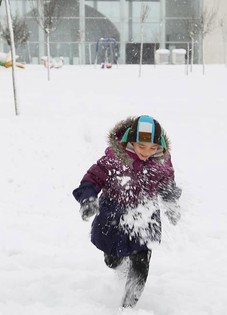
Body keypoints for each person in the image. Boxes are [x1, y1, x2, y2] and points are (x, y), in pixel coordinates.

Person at [72, 115, 181, 309]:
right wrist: (88, 198)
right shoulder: (114, 159)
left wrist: (171, 203)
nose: (147, 153)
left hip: (145, 215)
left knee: (141, 261)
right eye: (142, 147)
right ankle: (118, 262)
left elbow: (167, 185)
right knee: (112, 260)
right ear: (130, 141)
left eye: (153, 148)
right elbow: (92, 179)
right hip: (113, 216)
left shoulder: (162, 162)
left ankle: (129, 306)